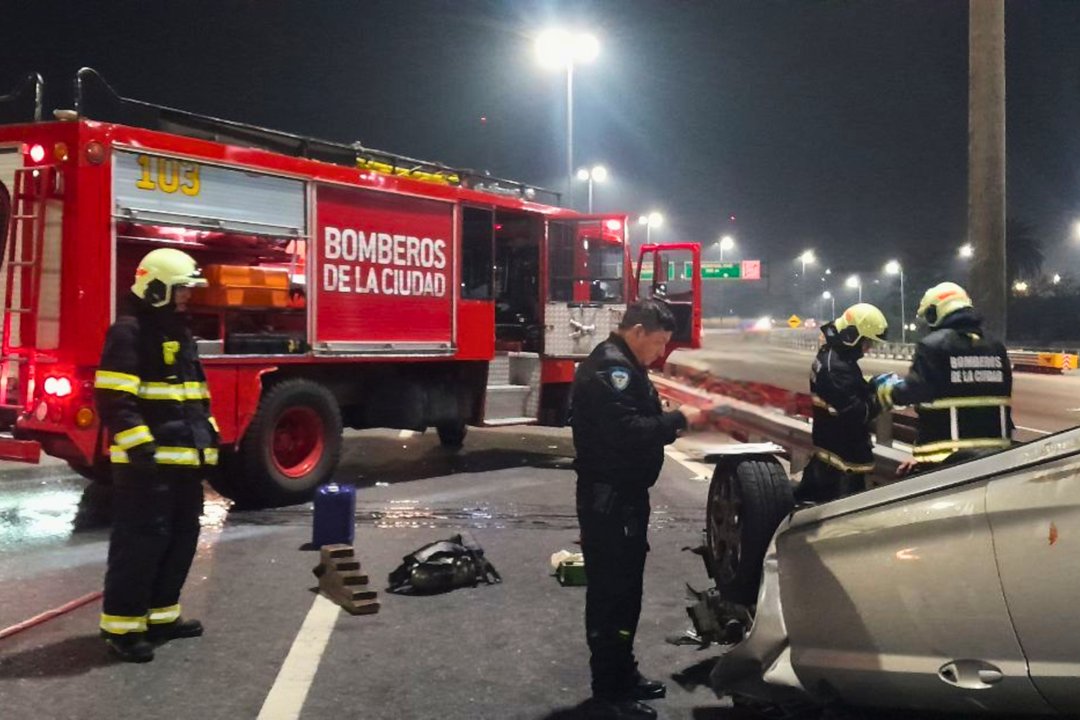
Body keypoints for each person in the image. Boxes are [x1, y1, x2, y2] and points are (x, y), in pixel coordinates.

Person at [571, 298, 712, 720]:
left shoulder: (623, 366)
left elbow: (632, 422)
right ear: (637, 332)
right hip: (610, 500)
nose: (661, 352)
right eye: (660, 342)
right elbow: (628, 433)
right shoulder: (610, 371)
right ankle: (609, 692)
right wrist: (678, 420)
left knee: (626, 592)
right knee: (612, 594)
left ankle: (622, 676)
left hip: (624, 498)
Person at [95, 248, 220, 663]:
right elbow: (115, 396)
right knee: (140, 545)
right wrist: (140, 448)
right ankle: (123, 629)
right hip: (147, 466)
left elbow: (192, 396)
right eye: (181, 290)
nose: (187, 297)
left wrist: (208, 436)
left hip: (184, 461)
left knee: (181, 540)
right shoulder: (129, 331)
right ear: (156, 288)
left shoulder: (178, 332)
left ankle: (162, 616)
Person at [875, 281, 1012, 474]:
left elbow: (914, 390)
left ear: (934, 313)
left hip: (946, 460)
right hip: (995, 458)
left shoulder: (933, 345)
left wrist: (884, 390)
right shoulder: (996, 347)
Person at [797, 303, 888, 503]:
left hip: (831, 459)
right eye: (866, 342)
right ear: (852, 336)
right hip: (840, 472)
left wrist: (870, 386)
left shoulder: (833, 356)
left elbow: (844, 394)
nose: (868, 348)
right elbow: (857, 412)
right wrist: (884, 396)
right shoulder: (836, 367)